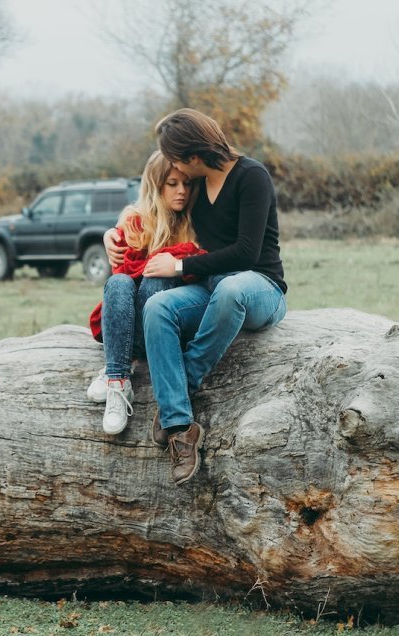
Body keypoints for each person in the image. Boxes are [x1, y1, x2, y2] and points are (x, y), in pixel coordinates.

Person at [105, 109, 287, 485]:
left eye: (174, 156)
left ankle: (180, 387)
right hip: (209, 287)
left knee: (231, 288)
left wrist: (177, 268)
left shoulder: (252, 176)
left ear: (192, 154)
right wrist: (113, 233)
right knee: (157, 307)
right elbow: (151, 212)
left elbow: (247, 253)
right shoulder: (197, 186)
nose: (175, 168)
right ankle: (180, 428)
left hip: (258, 287)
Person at [86, 150, 205, 435]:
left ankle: (116, 369)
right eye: (173, 183)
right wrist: (111, 235)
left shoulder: (195, 223)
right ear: (155, 185)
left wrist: (173, 263)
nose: (182, 192)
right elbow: (121, 275)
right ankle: (118, 381)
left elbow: (201, 264)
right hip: (126, 326)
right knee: (118, 283)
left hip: (162, 330)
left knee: (154, 282)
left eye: (187, 184)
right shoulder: (135, 221)